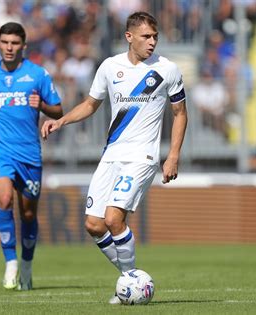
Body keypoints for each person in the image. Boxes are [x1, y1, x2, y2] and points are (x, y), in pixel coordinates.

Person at [41, 12, 188, 304]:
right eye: (146, 36)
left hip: (142, 157)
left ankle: (131, 280)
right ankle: (132, 280)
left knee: (113, 219)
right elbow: (91, 104)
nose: (152, 42)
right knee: (93, 225)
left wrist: (172, 156)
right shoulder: (110, 67)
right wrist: (62, 121)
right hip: (111, 155)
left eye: (155, 36)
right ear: (129, 37)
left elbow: (180, 113)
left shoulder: (167, 69)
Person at [0, 22, 63, 291]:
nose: (9, 47)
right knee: (4, 199)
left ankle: (26, 264)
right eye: (4, 42)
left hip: (28, 153)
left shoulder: (38, 75)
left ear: (23, 46)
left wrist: (44, 106)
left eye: (14, 43)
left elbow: (59, 111)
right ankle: (10, 262)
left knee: (27, 214)